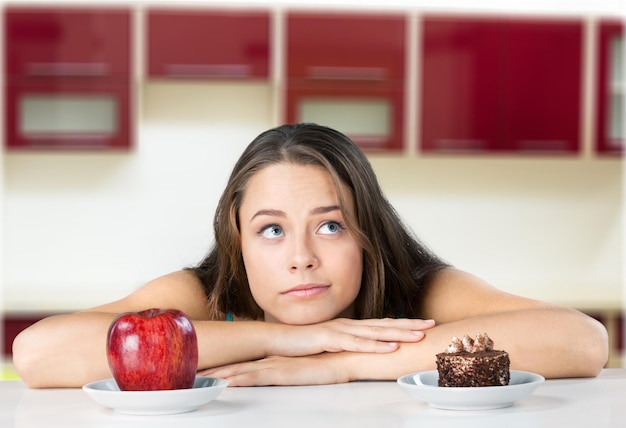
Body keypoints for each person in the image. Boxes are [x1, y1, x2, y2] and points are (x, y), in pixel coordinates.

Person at [12, 123, 608, 388]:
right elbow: (39, 355)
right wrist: (273, 339)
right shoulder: (208, 294)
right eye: (271, 231)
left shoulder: (417, 289)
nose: (300, 258)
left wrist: (343, 361)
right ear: (237, 243)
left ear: (368, 232)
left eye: (329, 226)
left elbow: (580, 341)